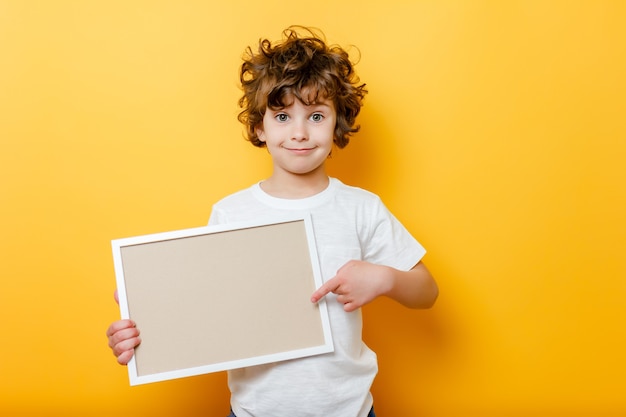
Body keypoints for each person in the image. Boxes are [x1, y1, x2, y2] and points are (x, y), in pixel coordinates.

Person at [106, 26, 438, 417]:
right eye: (282, 116)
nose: (299, 133)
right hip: (255, 411)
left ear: (338, 123)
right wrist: (145, 330)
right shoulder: (230, 213)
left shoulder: (361, 208)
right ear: (260, 127)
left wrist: (384, 278)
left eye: (316, 115)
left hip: (348, 410)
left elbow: (426, 291)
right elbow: (206, 311)